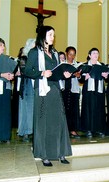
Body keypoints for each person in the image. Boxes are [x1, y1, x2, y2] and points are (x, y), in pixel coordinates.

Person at [24, 26, 72, 166]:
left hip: (55, 89)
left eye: (53, 35)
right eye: (50, 34)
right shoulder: (34, 52)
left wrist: (64, 74)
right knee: (43, 122)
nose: (53, 37)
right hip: (43, 90)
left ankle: (60, 153)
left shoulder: (55, 53)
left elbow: (56, 71)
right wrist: (41, 73)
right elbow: (27, 70)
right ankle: (44, 155)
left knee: (59, 121)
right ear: (43, 36)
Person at [79, 48, 108, 138]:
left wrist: (105, 76)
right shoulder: (84, 65)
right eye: (94, 53)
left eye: (97, 53)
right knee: (88, 110)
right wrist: (85, 77)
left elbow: (107, 78)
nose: (96, 55)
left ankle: (99, 129)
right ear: (89, 55)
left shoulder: (102, 65)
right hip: (89, 91)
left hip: (99, 91)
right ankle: (88, 130)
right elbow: (80, 78)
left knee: (99, 109)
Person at [17, 38, 36, 142]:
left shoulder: (37, 57)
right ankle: (26, 132)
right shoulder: (24, 58)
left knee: (34, 108)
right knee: (27, 108)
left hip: (35, 84)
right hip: (27, 84)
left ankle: (33, 130)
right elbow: (24, 71)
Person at [61, 46, 81, 138]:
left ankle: (73, 130)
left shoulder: (77, 65)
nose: (72, 57)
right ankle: (64, 130)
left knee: (74, 110)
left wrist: (78, 75)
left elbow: (81, 79)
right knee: (64, 110)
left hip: (74, 90)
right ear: (66, 54)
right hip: (64, 90)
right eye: (70, 54)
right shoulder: (62, 65)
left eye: (73, 55)